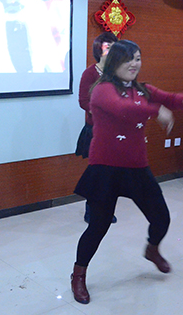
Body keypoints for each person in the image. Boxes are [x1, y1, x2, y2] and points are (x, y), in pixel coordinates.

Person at [70, 40, 183, 304]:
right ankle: (78, 274)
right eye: (128, 59)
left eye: (138, 58)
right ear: (114, 62)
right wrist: (156, 110)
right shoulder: (101, 90)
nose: (134, 64)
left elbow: (168, 99)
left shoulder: (143, 90)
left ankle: (152, 249)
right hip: (105, 169)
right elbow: (124, 110)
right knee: (98, 226)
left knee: (161, 218)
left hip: (136, 168)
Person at [76, 31, 118, 223]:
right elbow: (83, 101)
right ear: (98, 50)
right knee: (97, 172)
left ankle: (106, 210)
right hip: (96, 130)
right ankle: (91, 211)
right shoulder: (90, 73)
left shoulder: (118, 72)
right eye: (107, 47)